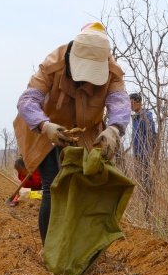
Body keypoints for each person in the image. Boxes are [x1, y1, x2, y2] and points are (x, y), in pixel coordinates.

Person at [14, 22, 131, 245]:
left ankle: (75, 244)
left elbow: (119, 101)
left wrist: (114, 129)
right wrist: (44, 125)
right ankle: (51, 249)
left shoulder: (112, 71)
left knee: (82, 185)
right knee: (53, 185)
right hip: (45, 130)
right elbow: (27, 100)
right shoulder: (53, 63)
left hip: (84, 133)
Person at [130, 92, 157, 219]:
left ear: (139, 102)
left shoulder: (146, 116)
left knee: (146, 181)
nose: (130, 105)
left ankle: (149, 207)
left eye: (132, 102)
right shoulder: (135, 117)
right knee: (140, 181)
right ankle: (143, 206)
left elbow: (152, 134)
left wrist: (151, 151)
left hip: (145, 154)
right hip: (137, 154)